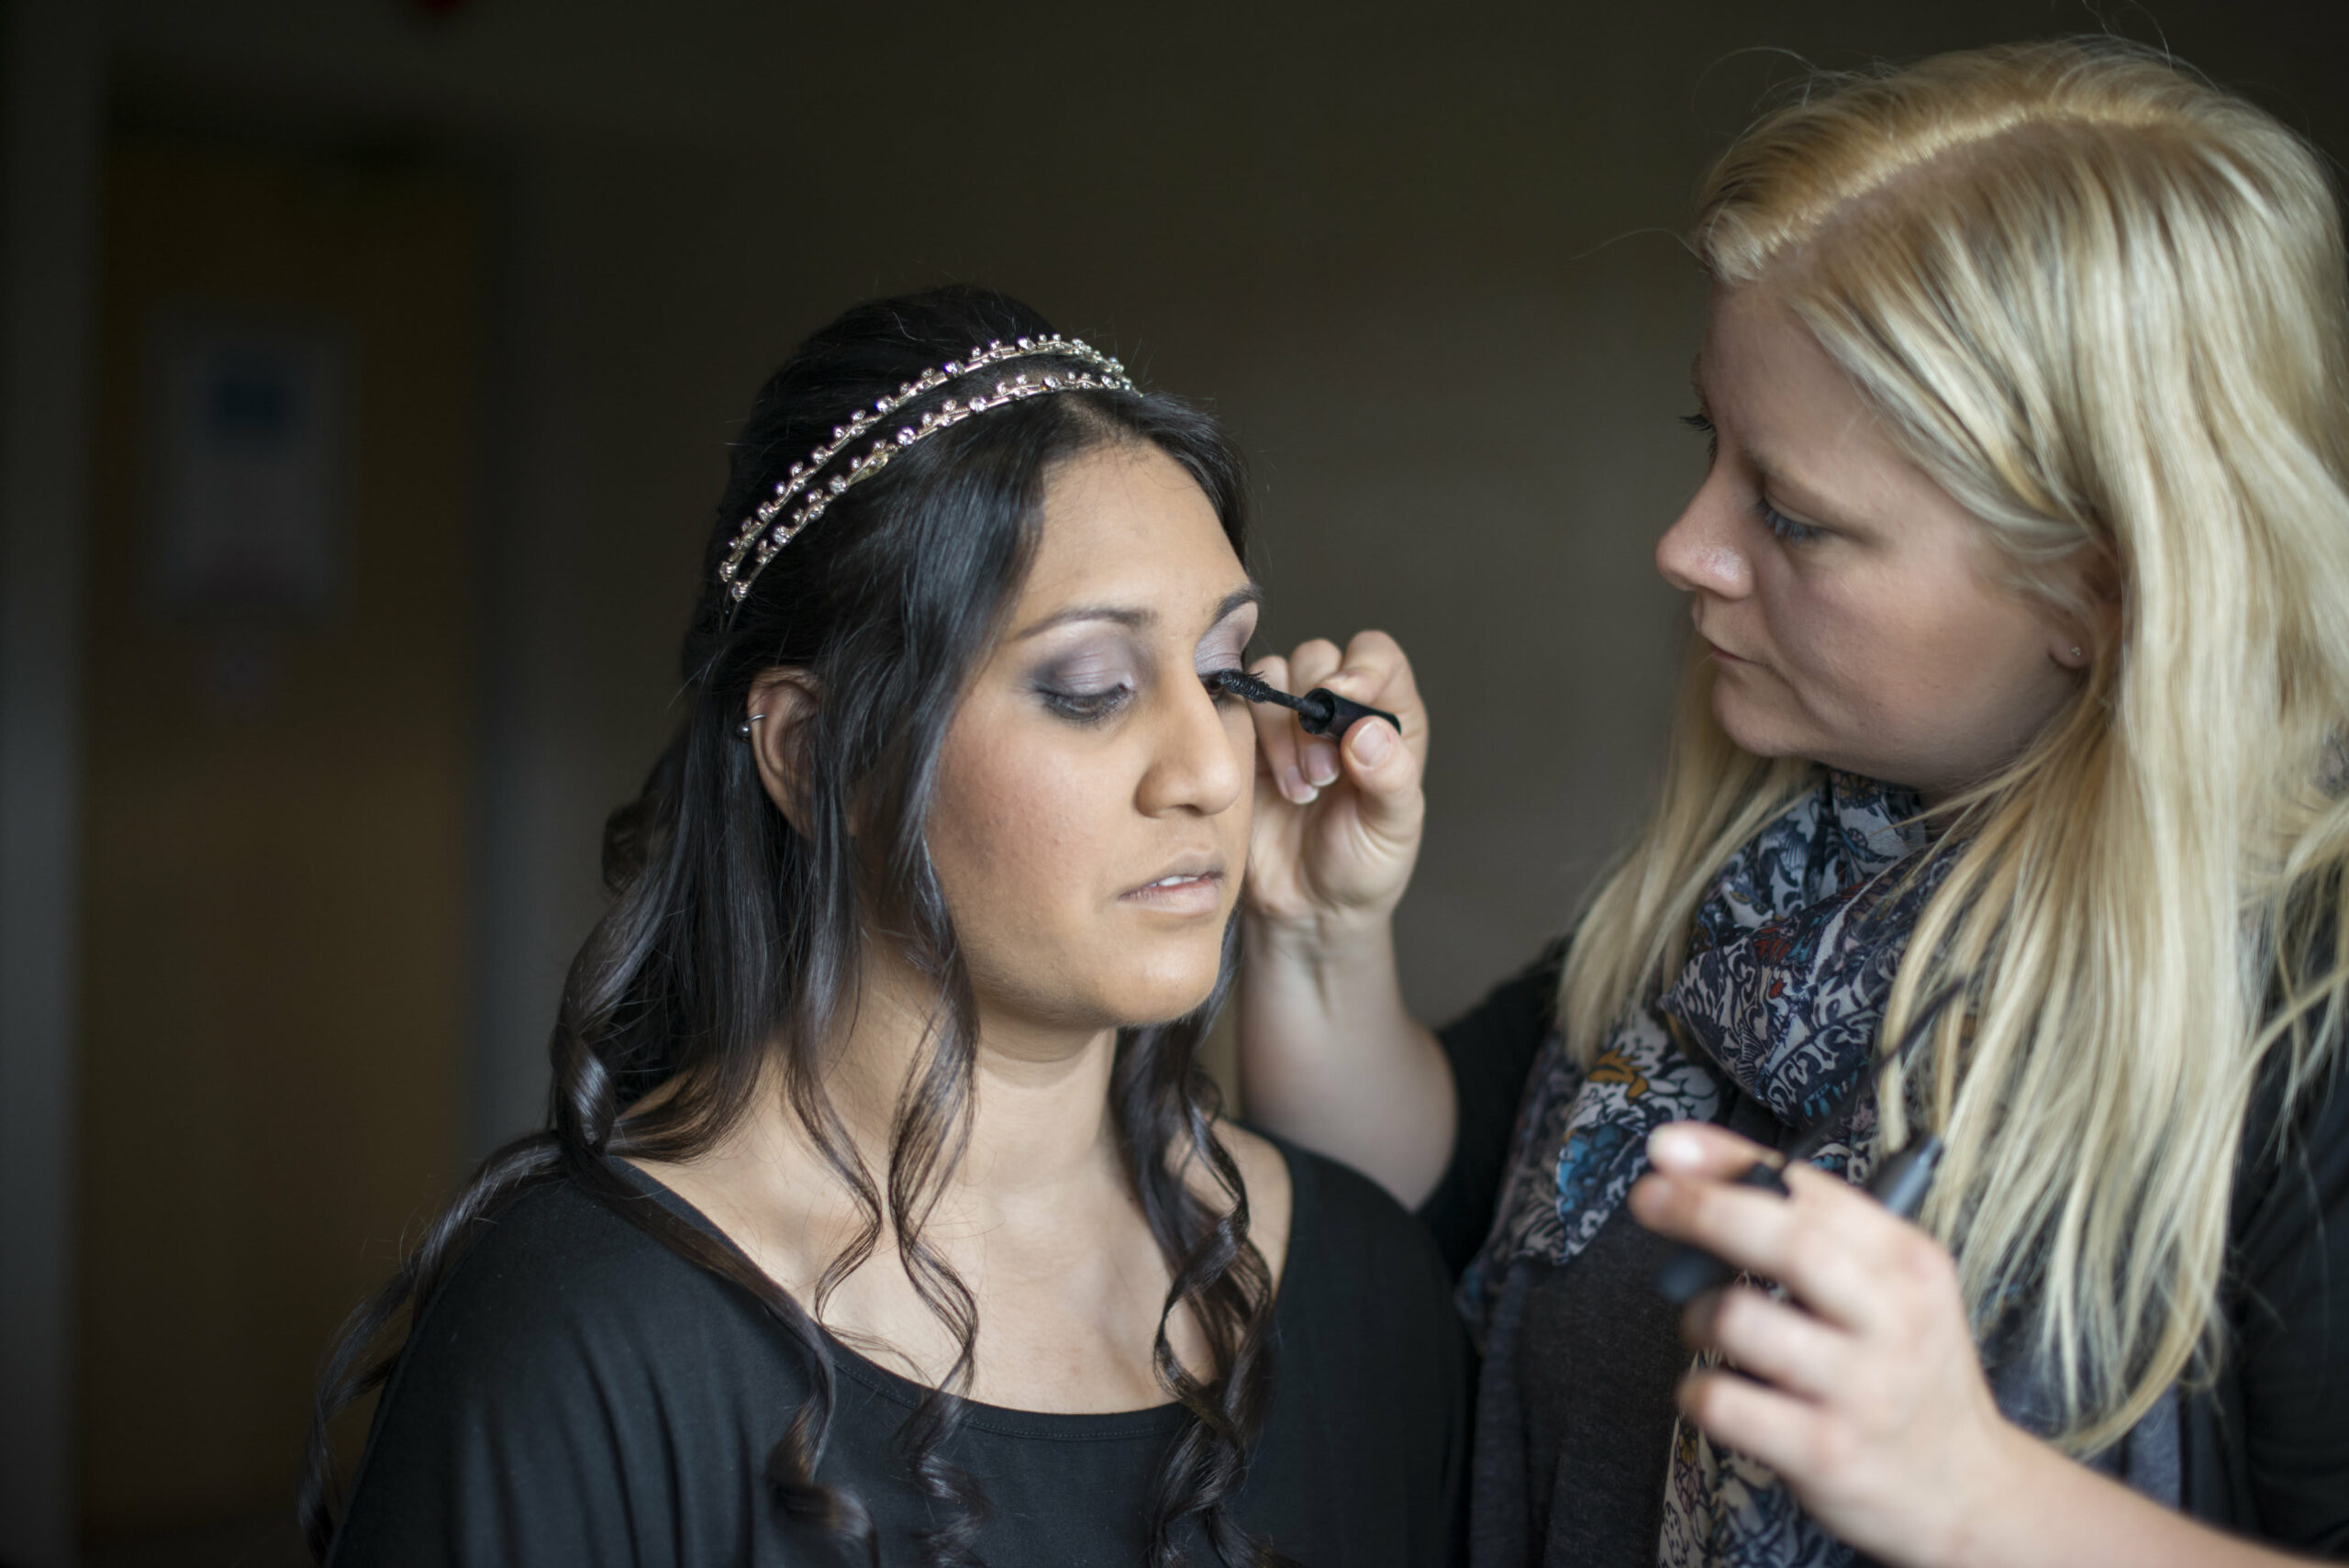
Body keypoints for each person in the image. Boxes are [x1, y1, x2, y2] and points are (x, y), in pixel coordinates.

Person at [1237, 39, 2349, 1568]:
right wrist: (1316, 935)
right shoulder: (1756, 891)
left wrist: (1975, 1496)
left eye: (1795, 515)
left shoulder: (2303, 997)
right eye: (1712, 449)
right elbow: (1399, 1200)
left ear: (2093, 587)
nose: (1684, 546)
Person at [302, 286, 1467, 1568]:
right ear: (812, 754)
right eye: (1092, 688)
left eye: (1225, 669)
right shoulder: (585, 1334)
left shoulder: (1365, 1288)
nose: (1208, 764)